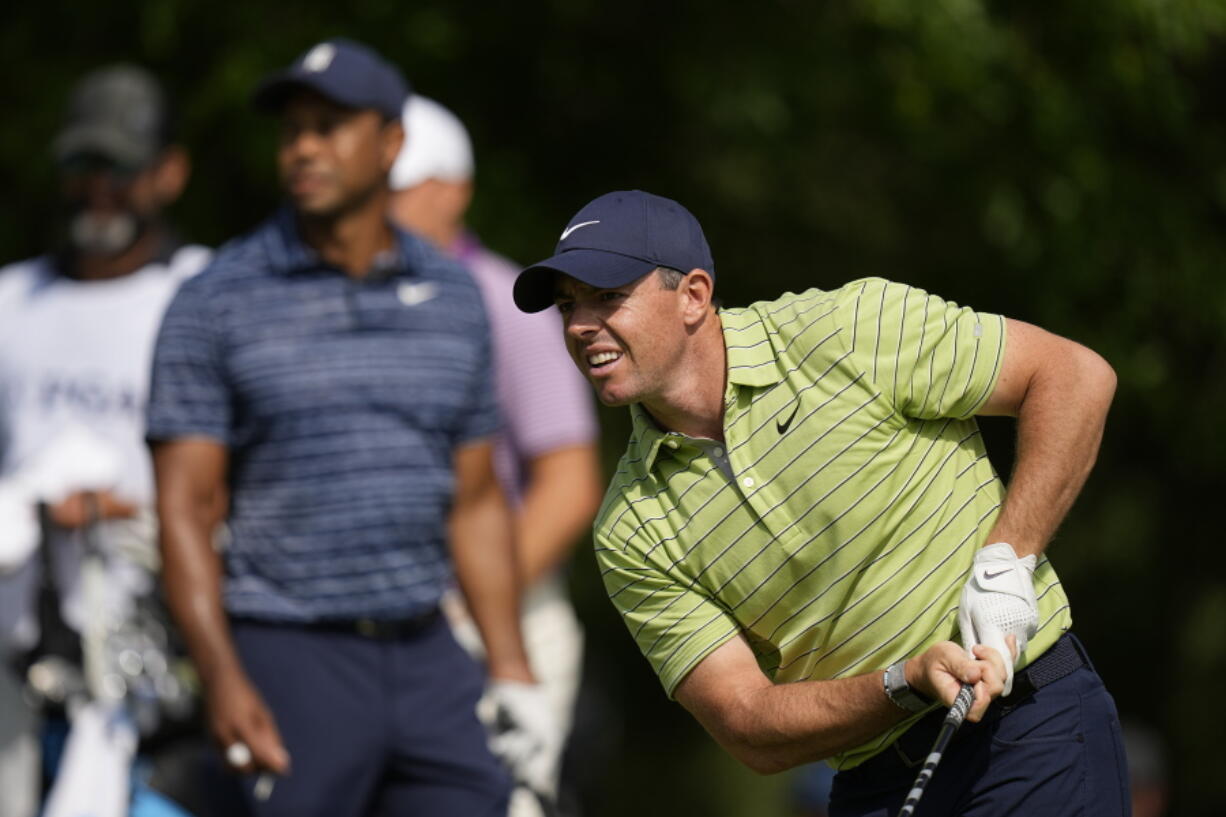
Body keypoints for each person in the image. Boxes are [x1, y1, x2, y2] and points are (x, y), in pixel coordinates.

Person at [512, 190, 1129, 816]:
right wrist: (903, 683)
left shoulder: (847, 331)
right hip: (875, 784)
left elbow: (1073, 375)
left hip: (1028, 727)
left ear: (694, 294)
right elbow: (747, 722)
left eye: (607, 297)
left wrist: (1008, 561)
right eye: (567, 306)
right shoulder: (630, 526)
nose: (580, 326)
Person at [146, 39, 549, 817]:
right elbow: (185, 510)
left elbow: (475, 501)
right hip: (287, 652)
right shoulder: (215, 299)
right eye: (292, 129)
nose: (303, 147)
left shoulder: (455, 297)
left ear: (391, 142)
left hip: (428, 650)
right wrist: (221, 675)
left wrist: (511, 667)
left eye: (329, 126)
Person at [0, 64, 209, 817]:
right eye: (82, 165)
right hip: (21, 659)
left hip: (162, 664)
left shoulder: (204, 293)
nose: (99, 189)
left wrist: (130, 512)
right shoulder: (12, 300)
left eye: (119, 167)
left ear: (169, 172)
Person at [387, 95, 602, 815]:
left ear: (454, 190)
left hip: (500, 618)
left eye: (398, 187)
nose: (378, 207)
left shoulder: (503, 304)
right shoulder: (348, 302)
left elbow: (568, 482)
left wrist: (469, 602)